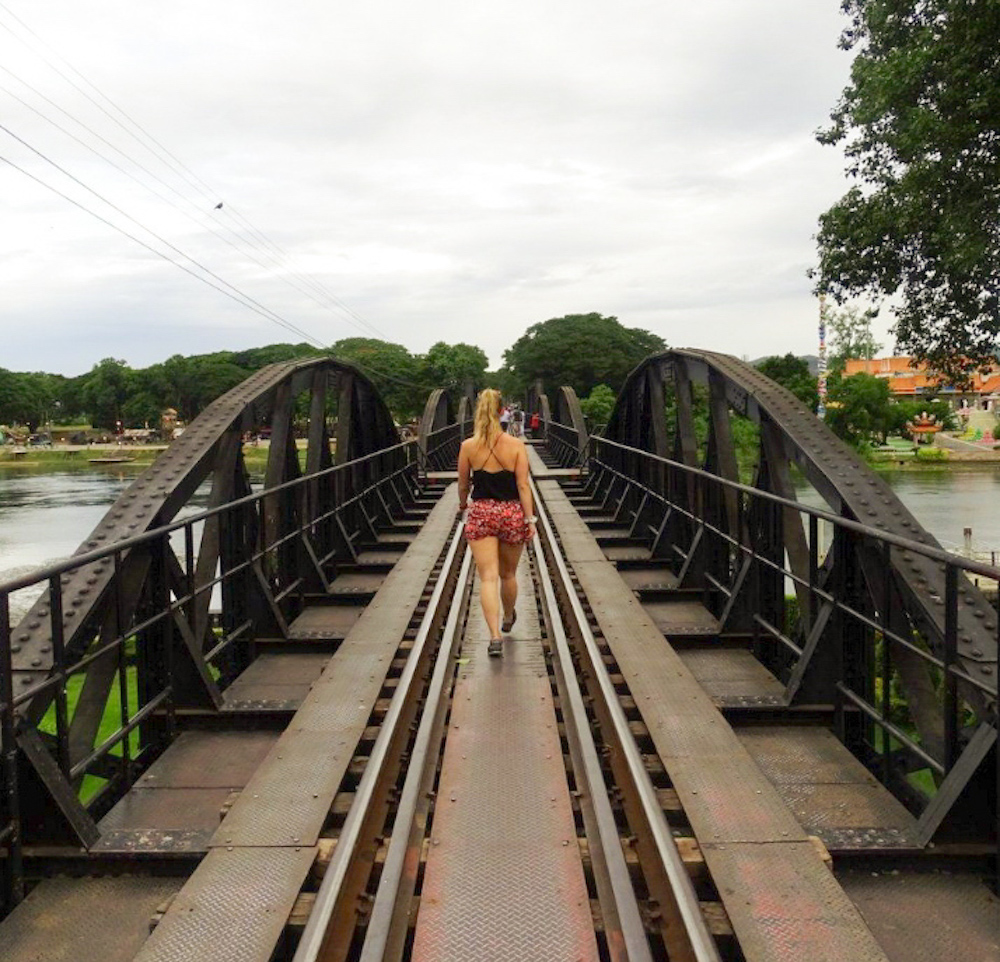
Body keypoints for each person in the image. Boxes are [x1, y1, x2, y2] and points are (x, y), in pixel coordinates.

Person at [458, 389, 537, 656]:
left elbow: (462, 484)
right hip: (511, 513)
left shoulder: (468, 446)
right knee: (509, 574)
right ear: (503, 410)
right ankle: (508, 617)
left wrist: (462, 505)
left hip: (481, 512)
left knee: (488, 578)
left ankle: (494, 638)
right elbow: (523, 486)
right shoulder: (516, 446)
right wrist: (530, 519)